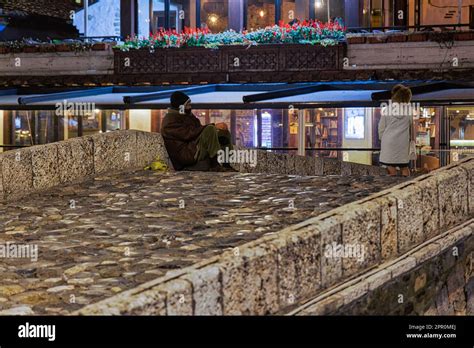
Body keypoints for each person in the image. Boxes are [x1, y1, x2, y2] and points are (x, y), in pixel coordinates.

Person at [161, 91, 234, 171]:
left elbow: (198, 129)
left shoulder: (187, 116)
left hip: (194, 146)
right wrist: (213, 126)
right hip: (187, 155)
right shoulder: (169, 121)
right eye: (188, 105)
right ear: (181, 107)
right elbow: (187, 134)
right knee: (210, 129)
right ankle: (214, 165)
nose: (190, 106)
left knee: (223, 132)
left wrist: (217, 130)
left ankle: (226, 164)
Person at [378, 84, 414, 177]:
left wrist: (383, 139)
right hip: (402, 142)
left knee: (390, 166)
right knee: (404, 166)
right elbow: (410, 127)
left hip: (389, 142)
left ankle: (393, 187)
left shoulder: (387, 109)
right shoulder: (409, 111)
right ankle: (407, 185)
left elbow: (381, 127)